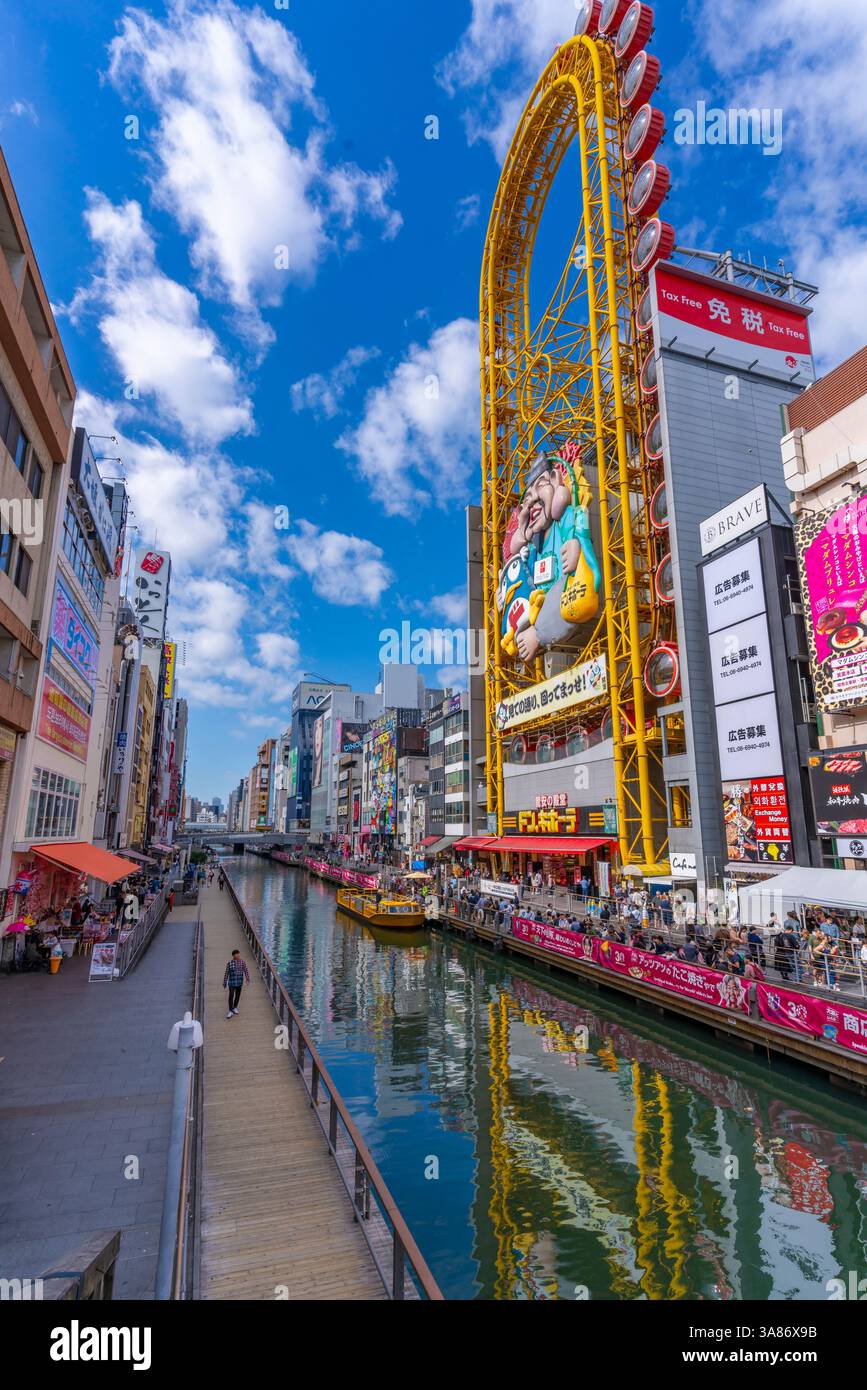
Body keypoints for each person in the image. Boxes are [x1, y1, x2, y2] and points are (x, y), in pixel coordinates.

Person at [222, 948, 250, 1017]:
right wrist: (224, 982)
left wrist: (247, 979)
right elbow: (226, 973)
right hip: (232, 982)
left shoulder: (242, 962)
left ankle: (235, 1007)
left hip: (239, 982)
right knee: (231, 995)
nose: (238, 955)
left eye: (238, 954)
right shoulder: (230, 963)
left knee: (237, 996)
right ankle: (230, 1010)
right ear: (233, 955)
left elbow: (246, 970)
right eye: (236, 954)